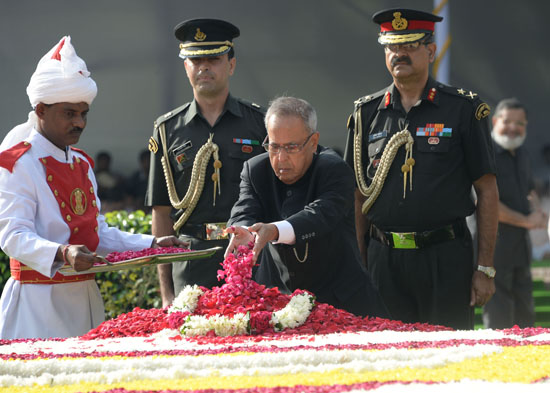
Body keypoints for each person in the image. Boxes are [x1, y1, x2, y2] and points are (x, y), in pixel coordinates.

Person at [0, 36, 183, 340]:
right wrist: (62, 252)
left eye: (83, 113)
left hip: (85, 298)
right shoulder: (17, 163)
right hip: (36, 304)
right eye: (69, 113)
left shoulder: (83, 163)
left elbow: (98, 233)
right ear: (41, 110)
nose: (80, 123)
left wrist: (152, 244)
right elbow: (12, 237)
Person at [344, 8, 499, 329]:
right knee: (386, 358)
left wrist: (484, 268)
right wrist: (359, 264)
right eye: (391, 46)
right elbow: (357, 195)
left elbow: (487, 190)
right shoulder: (366, 114)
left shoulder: (463, 109)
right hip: (383, 260)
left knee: (450, 358)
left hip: (445, 257)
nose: (399, 53)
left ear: (430, 51)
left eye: (409, 45)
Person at [225, 97, 388, 317]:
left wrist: (273, 230)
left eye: (291, 147)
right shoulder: (255, 170)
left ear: (313, 142)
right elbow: (244, 209)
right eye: (274, 146)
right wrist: (243, 230)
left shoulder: (334, 169)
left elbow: (320, 215)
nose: (281, 158)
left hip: (341, 301)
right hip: (277, 302)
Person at [146, 19, 267, 307]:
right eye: (196, 60)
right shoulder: (167, 129)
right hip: (190, 259)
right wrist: (166, 294)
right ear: (185, 67)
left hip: (248, 256)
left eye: (214, 58)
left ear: (232, 65)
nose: (204, 67)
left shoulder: (260, 124)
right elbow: (162, 213)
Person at [482, 98, 546, 328]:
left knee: (526, 314)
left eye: (520, 123)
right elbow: (487, 205)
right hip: (492, 248)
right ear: (496, 121)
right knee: (499, 317)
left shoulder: (522, 154)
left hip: (520, 247)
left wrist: (538, 211)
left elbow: (530, 190)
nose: (513, 128)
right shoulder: (483, 153)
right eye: (507, 121)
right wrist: (528, 221)